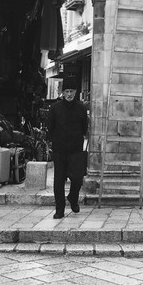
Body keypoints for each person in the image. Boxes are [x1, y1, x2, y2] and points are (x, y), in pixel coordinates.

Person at [46, 76, 88, 219]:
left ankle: (73, 198)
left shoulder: (81, 108)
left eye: (72, 91)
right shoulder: (55, 108)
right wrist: (55, 142)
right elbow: (50, 128)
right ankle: (60, 209)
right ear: (63, 93)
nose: (69, 94)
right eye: (67, 91)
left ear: (76, 92)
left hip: (76, 150)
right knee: (59, 181)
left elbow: (84, 128)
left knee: (77, 179)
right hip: (59, 150)